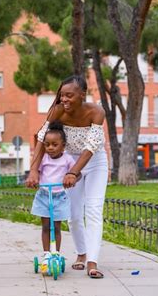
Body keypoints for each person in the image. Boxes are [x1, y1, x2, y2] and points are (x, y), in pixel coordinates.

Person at [26, 75, 108, 279]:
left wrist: (74, 172)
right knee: (73, 214)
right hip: (68, 161)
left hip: (95, 162)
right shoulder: (57, 111)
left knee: (94, 210)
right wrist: (34, 169)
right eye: (62, 95)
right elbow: (41, 139)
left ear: (82, 94)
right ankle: (81, 253)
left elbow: (91, 146)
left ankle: (92, 261)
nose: (64, 99)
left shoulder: (96, 112)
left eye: (69, 95)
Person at [31, 120, 76, 275]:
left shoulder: (68, 159)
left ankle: (55, 252)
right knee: (45, 226)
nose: (50, 148)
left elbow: (76, 172)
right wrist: (34, 179)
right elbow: (35, 171)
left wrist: (72, 178)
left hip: (59, 197)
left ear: (63, 145)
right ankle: (46, 254)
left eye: (54, 145)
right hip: (44, 195)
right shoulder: (43, 159)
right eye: (47, 144)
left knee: (56, 227)